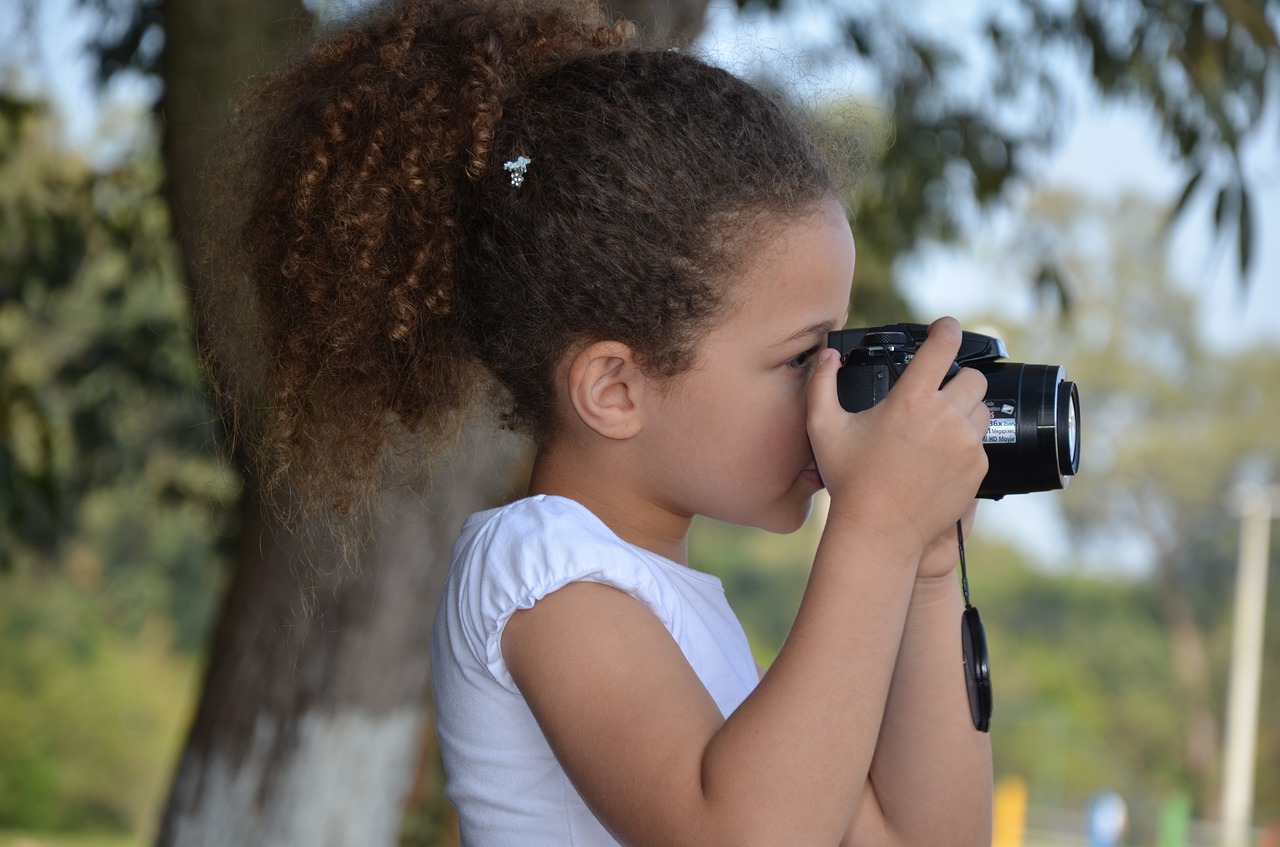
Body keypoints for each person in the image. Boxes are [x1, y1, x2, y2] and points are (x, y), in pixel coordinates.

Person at [209, 0, 995, 843]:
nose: (829, 391)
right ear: (615, 390)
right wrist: (873, 532)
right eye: (801, 358)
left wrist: (924, 565)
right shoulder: (543, 572)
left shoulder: (677, 616)